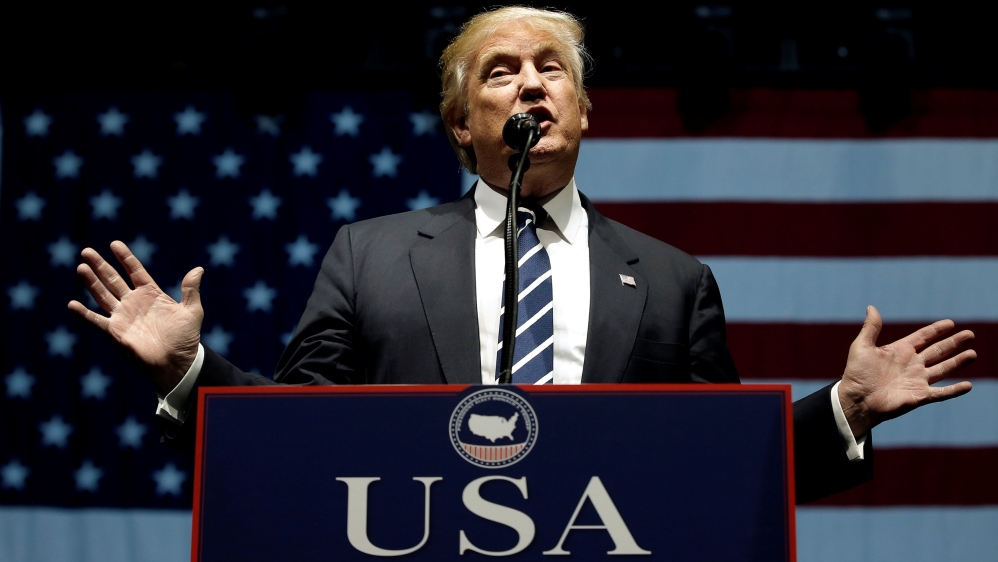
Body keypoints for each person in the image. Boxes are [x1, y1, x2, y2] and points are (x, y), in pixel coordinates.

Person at [68, 7, 976, 504]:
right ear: (463, 125)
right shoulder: (371, 254)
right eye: (499, 70)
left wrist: (842, 409)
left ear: (583, 111)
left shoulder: (671, 279)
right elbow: (300, 429)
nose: (530, 81)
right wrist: (193, 369)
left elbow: (717, 461)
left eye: (552, 67)